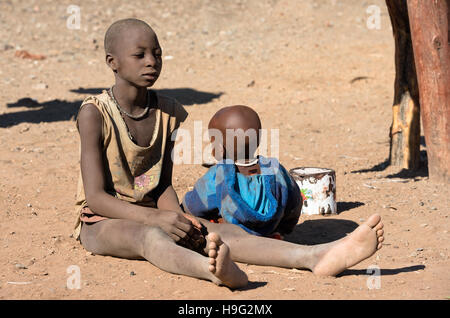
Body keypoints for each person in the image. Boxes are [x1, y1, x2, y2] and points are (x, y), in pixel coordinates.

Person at [74, 18, 385, 290]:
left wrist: (180, 218)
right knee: (149, 238)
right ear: (112, 62)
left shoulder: (168, 112)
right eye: (139, 55)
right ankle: (214, 273)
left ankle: (316, 256)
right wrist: (157, 217)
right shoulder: (94, 114)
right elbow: (96, 197)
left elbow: (161, 184)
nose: (151, 61)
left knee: (224, 232)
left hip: (155, 212)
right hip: (103, 222)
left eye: (157, 53)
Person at [182, 105, 302, 239]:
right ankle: (272, 237)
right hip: (270, 231)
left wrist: (183, 209)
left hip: (235, 238)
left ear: (220, 148)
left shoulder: (219, 175)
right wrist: (284, 229)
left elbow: (194, 206)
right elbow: (295, 202)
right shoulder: (275, 170)